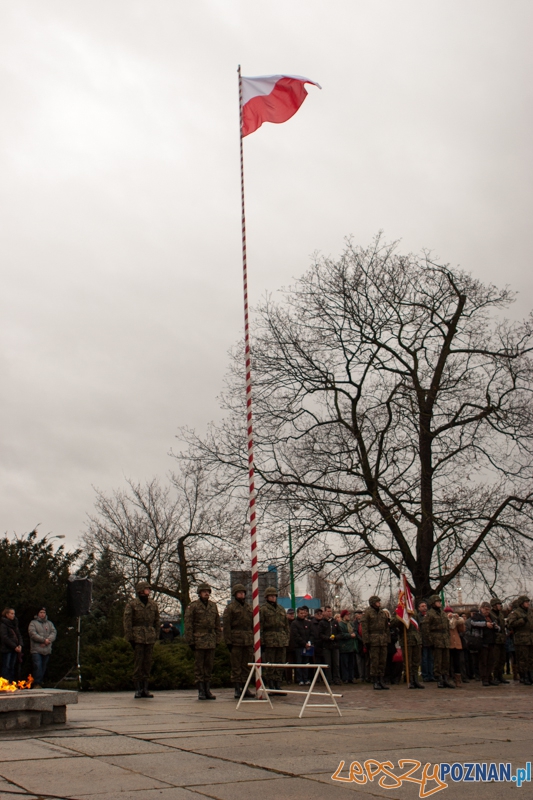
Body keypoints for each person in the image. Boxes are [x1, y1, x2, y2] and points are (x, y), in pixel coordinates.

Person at [185, 582, 222, 700]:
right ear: (199, 593)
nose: (206, 593)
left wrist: (218, 639)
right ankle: (201, 690)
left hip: (210, 639)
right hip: (198, 639)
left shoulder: (213, 606)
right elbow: (188, 624)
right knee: (199, 666)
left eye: (208, 591)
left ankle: (207, 689)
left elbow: (217, 623)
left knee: (209, 666)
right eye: (204, 591)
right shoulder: (193, 606)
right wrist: (190, 640)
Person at [123, 581, 160, 698]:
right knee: (138, 663)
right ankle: (138, 688)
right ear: (140, 590)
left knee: (147, 663)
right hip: (137, 636)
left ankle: (145, 688)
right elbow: (127, 622)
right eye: (146, 589)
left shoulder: (153, 604)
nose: (149, 590)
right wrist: (130, 637)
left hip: (149, 636)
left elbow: (157, 621)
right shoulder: (132, 604)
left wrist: (156, 635)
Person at [223, 583, 254, 698]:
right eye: (239, 593)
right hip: (235, 640)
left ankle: (245, 688)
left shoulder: (249, 607)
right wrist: (228, 641)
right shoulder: (230, 608)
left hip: (248, 639)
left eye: (243, 593)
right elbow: (226, 626)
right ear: (235, 594)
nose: (241, 594)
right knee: (236, 666)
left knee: (246, 665)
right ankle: (237, 688)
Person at [260, 586, 289, 694]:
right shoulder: (263, 609)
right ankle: (271, 685)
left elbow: (286, 626)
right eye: (271, 596)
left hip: (281, 639)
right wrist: (262, 642)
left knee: (280, 663)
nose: (273, 598)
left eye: (274, 596)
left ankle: (278, 684)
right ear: (267, 597)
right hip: (269, 640)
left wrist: (286, 638)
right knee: (270, 663)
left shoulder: (281, 609)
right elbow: (261, 627)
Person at [361, 596, 390, 690]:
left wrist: (387, 639)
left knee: (382, 661)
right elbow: (365, 629)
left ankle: (381, 680)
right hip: (373, 640)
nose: (379, 603)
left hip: (382, 639)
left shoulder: (382, 613)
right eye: (377, 602)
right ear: (373, 603)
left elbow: (386, 627)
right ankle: (375, 681)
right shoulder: (368, 613)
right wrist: (366, 641)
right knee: (375, 661)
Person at [391, 609, 424, 689]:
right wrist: (402, 616)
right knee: (408, 661)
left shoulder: (414, 611)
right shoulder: (399, 611)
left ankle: (416, 679)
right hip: (406, 639)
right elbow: (393, 623)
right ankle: (410, 680)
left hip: (416, 639)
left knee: (416, 661)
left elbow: (418, 625)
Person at [427, 595, 455, 688]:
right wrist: (430, 641)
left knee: (446, 660)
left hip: (444, 639)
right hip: (436, 639)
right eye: (437, 601)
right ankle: (439, 679)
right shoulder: (430, 614)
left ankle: (445, 678)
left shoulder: (443, 613)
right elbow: (426, 629)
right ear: (432, 603)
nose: (439, 603)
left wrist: (448, 636)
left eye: (439, 601)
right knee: (438, 661)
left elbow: (447, 626)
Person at [471, 601, 500, 686]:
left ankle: (489, 677)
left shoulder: (491, 617)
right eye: (486, 609)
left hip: (491, 641)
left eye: (488, 609)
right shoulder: (477, 616)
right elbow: (472, 623)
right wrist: (485, 624)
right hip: (482, 642)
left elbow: (499, 627)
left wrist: (495, 626)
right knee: (483, 661)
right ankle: (484, 678)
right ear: (481, 609)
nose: (487, 611)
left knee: (491, 661)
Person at [28, 607, 57, 688]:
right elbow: (33, 634)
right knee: (38, 666)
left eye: (44, 612)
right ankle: (37, 683)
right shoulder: (33, 623)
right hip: (36, 649)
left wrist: (48, 641)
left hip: (47, 649)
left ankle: (40, 682)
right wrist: (43, 640)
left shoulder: (49, 623)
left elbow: (53, 633)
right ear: (38, 613)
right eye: (40, 612)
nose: (42, 614)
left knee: (43, 666)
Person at [507, 595, 533, 685]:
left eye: (528, 602)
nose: (528, 604)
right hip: (521, 640)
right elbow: (511, 623)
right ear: (521, 603)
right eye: (526, 602)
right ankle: (524, 676)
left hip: (530, 639)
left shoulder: (530, 612)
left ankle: (530, 675)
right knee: (522, 659)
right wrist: (522, 620)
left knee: (530, 658)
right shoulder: (516, 613)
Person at [289, 605, 314, 685]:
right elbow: (296, 636)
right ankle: (300, 679)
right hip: (298, 647)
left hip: (307, 647)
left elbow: (311, 633)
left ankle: (306, 678)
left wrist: (309, 642)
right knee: (299, 663)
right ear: (298, 613)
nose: (303, 614)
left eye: (304, 613)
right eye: (301, 613)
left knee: (306, 663)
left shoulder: (308, 623)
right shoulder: (294, 623)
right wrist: (304, 643)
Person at [318, 605, 342, 685]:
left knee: (336, 663)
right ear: (324, 612)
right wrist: (328, 638)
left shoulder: (335, 622)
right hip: (326, 646)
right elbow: (320, 634)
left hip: (335, 646)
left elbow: (340, 633)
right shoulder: (321, 623)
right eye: (327, 611)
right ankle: (329, 679)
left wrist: (335, 637)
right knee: (328, 664)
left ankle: (337, 678)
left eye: (330, 611)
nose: (329, 613)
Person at [490, 597, 509, 684]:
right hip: (495, 640)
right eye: (498, 604)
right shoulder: (490, 614)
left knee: (502, 658)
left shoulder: (500, 614)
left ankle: (500, 675)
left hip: (502, 639)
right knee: (495, 659)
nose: (500, 606)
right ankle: (495, 676)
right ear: (494, 605)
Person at [0, 608, 23, 682]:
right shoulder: (3, 625)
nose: (13, 615)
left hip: (15, 649)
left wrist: (20, 645)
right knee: (6, 666)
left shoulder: (14, 624)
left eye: (14, 613)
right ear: (7, 614)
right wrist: (14, 646)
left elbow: (18, 635)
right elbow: (5, 637)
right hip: (7, 649)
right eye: (11, 613)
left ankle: (11, 682)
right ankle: (5, 682)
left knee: (12, 667)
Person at [446, 607, 465, 687]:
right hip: (448, 643)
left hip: (456, 643)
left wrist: (459, 621)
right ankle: (448, 678)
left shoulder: (456, 621)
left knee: (457, 662)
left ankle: (458, 679)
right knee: (448, 662)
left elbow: (462, 630)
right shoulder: (445, 621)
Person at [338, 610, 356, 683]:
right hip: (344, 647)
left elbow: (354, 631)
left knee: (351, 664)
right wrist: (349, 635)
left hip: (351, 647)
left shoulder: (351, 624)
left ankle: (350, 677)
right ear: (344, 616)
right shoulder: (341, 625)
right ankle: (345, 678)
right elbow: (341, 634)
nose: (348, 616)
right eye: (347, 615)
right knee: (344, 664)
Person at [418, 601, 435, 682]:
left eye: (425, 605)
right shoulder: (418, 617)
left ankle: (431, 674)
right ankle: (425, 675)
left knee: (431, 659)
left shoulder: (430, 616)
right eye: (422, 606)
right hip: (423, 640)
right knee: (424, 659)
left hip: (430, 640)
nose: (424, 607)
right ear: (419, 608)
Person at [353, 610, 367, 681]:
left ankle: (366, 675)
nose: (360, 615)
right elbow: (355, 633)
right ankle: (361, 676)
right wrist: (361, 640)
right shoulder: (355, 623)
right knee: (359, 661)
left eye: (361, 614)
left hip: (365, 644)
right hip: (358, 644)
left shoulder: (365, 622)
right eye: (358, 614)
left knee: (366, 661)